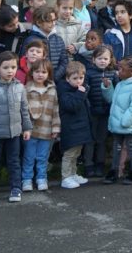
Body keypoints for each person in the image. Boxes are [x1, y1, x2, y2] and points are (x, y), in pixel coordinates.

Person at [0, 52, 31, 202]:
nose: (10, 71)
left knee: (14, 161)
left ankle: (16, 188)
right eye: (6, 67)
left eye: (13, 67)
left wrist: (27, 128)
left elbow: (24, 109)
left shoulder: (20, 87)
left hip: (15, 133)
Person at [103, 56, 132, 185]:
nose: (118, 71)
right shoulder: (122, 83)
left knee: (131, 148)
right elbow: (114, 101)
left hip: (127, 124)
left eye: (122, 69)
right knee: (116, 148)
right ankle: (115, 171)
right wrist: (107, 87)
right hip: (118, 124)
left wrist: (125, 121)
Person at [22, 60, 60, 192]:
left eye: (44, 72)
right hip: (30, 130)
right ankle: (26, 179)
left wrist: (55, 128)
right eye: (37, 71)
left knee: (43, 156)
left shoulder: (52, 90)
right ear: (31, 73)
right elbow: (23, 111)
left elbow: (55, 110)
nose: (40, 74)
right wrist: (24, 128)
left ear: (49, 74)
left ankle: (41, 178)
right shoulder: (26, 89)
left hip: (47, 129)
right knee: (29, 156)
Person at [57, 61, 93, 189]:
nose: (78, 81)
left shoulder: (80, 89)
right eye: (75, 78)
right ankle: (65, 177)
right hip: (70, 128)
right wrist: (80, 93)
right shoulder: (65, 91)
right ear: (67, 78)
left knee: (77, 153)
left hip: (81, 127)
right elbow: (72, 106)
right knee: (69, 154)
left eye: (81, 78)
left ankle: (73, 173)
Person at [82, 45, 116, 178]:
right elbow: (85, 92)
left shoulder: (113, 73)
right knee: (90, 140)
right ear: (93, 59)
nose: (102, 61)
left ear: (110, 60)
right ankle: (88, 165)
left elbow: (116, 92)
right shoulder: (89, 73)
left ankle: (100, 165)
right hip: (92, 111)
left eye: (105, 58)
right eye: (99, 58)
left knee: (101, 139)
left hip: (106, 112)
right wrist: (89, 107)